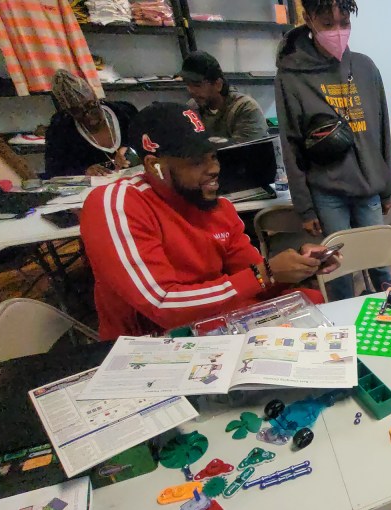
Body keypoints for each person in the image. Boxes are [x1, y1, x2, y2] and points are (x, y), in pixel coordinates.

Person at [80, 103, 338, 340]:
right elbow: (162, 305)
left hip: (213, 326)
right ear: (154, 165)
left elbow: (255, 280)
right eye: (196, 162)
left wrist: (298, 267)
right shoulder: (117, 203)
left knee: (310, 300)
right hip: (151, 342)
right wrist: (265, 274)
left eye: (213, 156)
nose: (214, 168)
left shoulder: (218, 208)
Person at [275, 0, 391, 300]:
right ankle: (341, 334)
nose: (338, 31)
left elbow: (382, 131)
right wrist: (305, 206)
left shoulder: (365, 67)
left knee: (380, 264)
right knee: (337, 271)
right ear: (309, 19)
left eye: (345, 23)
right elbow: (291, 143)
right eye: (328, 24)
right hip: (327, 192)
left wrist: (386, 187)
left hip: (368, 188)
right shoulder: (292, 75)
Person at [45, 69, 136, 178]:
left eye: (92, 106)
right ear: (68, 112)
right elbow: (53, 171)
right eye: (78, 112)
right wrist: (84, 171)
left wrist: (129, 149)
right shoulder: (61, 129)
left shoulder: (125, 113)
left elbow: (150, 146)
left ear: (96, 97)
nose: (89, 116)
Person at [178, 51, 268, 145]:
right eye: (188, 84)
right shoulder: (191, 108)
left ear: (218, 84)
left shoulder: (245, 109)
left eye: (197, 85)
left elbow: (244, 154)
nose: (191, 90)